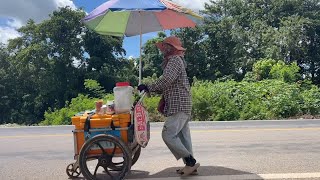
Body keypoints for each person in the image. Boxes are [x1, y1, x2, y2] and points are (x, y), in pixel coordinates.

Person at [138, 36, 200, 176]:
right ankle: (191, 166)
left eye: (165, 46)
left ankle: (190, 161)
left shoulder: (174, 60)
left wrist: (148, 87)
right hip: (182, 103)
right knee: (183, 136)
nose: (162, 50)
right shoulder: (175, 61)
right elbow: (168, 84)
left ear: (171, 48)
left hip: (178, 104)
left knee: (168, 134)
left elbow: (166, 80)